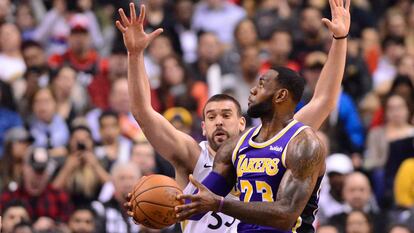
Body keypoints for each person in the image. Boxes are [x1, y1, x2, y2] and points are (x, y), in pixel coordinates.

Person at [117, 0, 350, 232]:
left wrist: (340, 40)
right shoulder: (195, 155)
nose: (218, 121)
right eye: (211, 116)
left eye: (226, 114)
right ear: (203, 126)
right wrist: (146, 206)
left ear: (241, 122)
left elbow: (324, 100)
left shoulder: (293, 138)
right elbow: (143, 113)